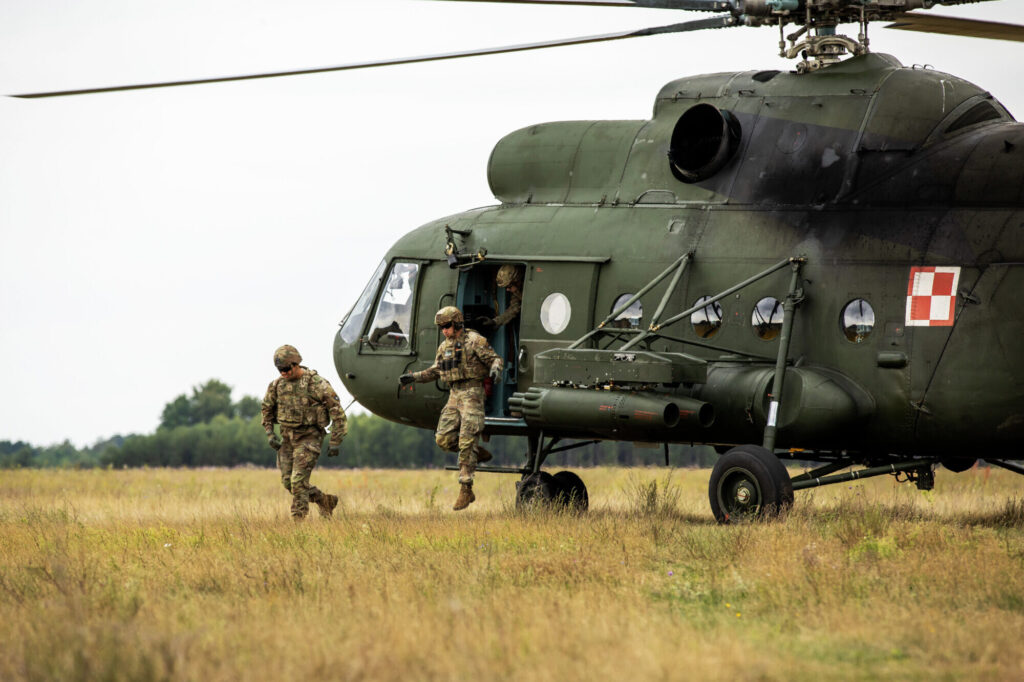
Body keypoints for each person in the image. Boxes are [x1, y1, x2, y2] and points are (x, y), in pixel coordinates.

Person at [399, 306, 502, 510]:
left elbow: (495, 359)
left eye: (447, 326)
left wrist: (496, 370)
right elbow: (436, 370)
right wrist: (414, 377)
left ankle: (466, 489)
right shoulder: (444, 347)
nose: (444, 331)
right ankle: (476, 452)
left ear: (456, 323)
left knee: (466, 439)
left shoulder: (475, 340)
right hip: (454, 394)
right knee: (443, 439)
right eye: (441, 328)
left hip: (472, 392)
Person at [261, 344, 348, 521]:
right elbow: (266, 409)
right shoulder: (277, 385)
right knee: (288, 483)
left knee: (298, 482)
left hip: (309, 438)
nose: (283, 373)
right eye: (280, 370)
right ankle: (325, 500)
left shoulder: (316, 384)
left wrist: (335, 440)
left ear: (296, 364)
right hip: (287, 438)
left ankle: (298, 524)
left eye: (286, 369)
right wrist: (270, 433)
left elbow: (337, 411)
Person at [475, 264, 523, 333]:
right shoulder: (517, 292)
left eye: (509, 287)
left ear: (517, 281)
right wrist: (494, 322)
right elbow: (514, 309)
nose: (507, 290)